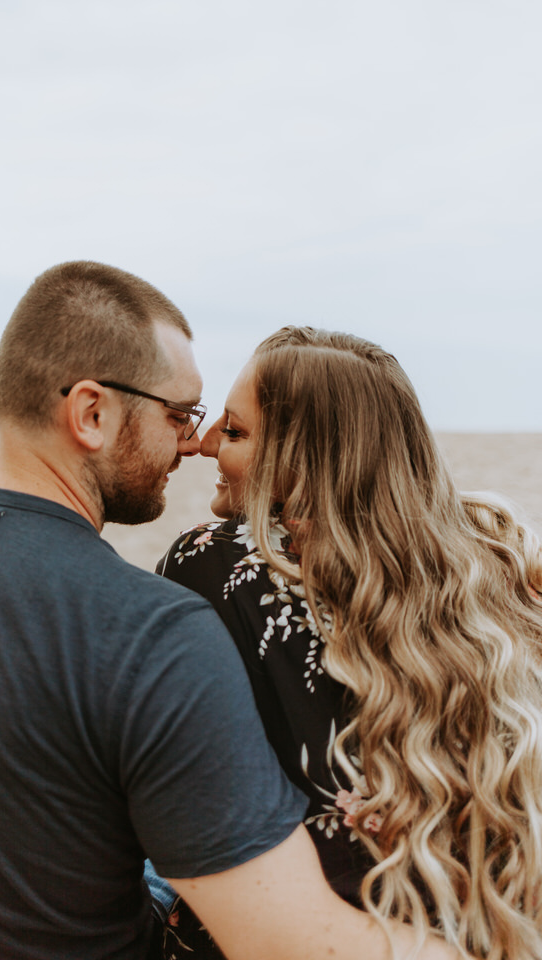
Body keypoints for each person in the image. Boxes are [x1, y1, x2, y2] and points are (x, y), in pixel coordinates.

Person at [0, 268, 454, 960]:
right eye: (179, 415)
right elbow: (292, 940)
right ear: (92, 414)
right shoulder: (151, 628)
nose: (193, 444)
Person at [159, 326, 542, 960]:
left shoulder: (215, 560)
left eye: (232, 432)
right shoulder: (488, 560)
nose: (200, 444)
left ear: (302, 459)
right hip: (473, 922)